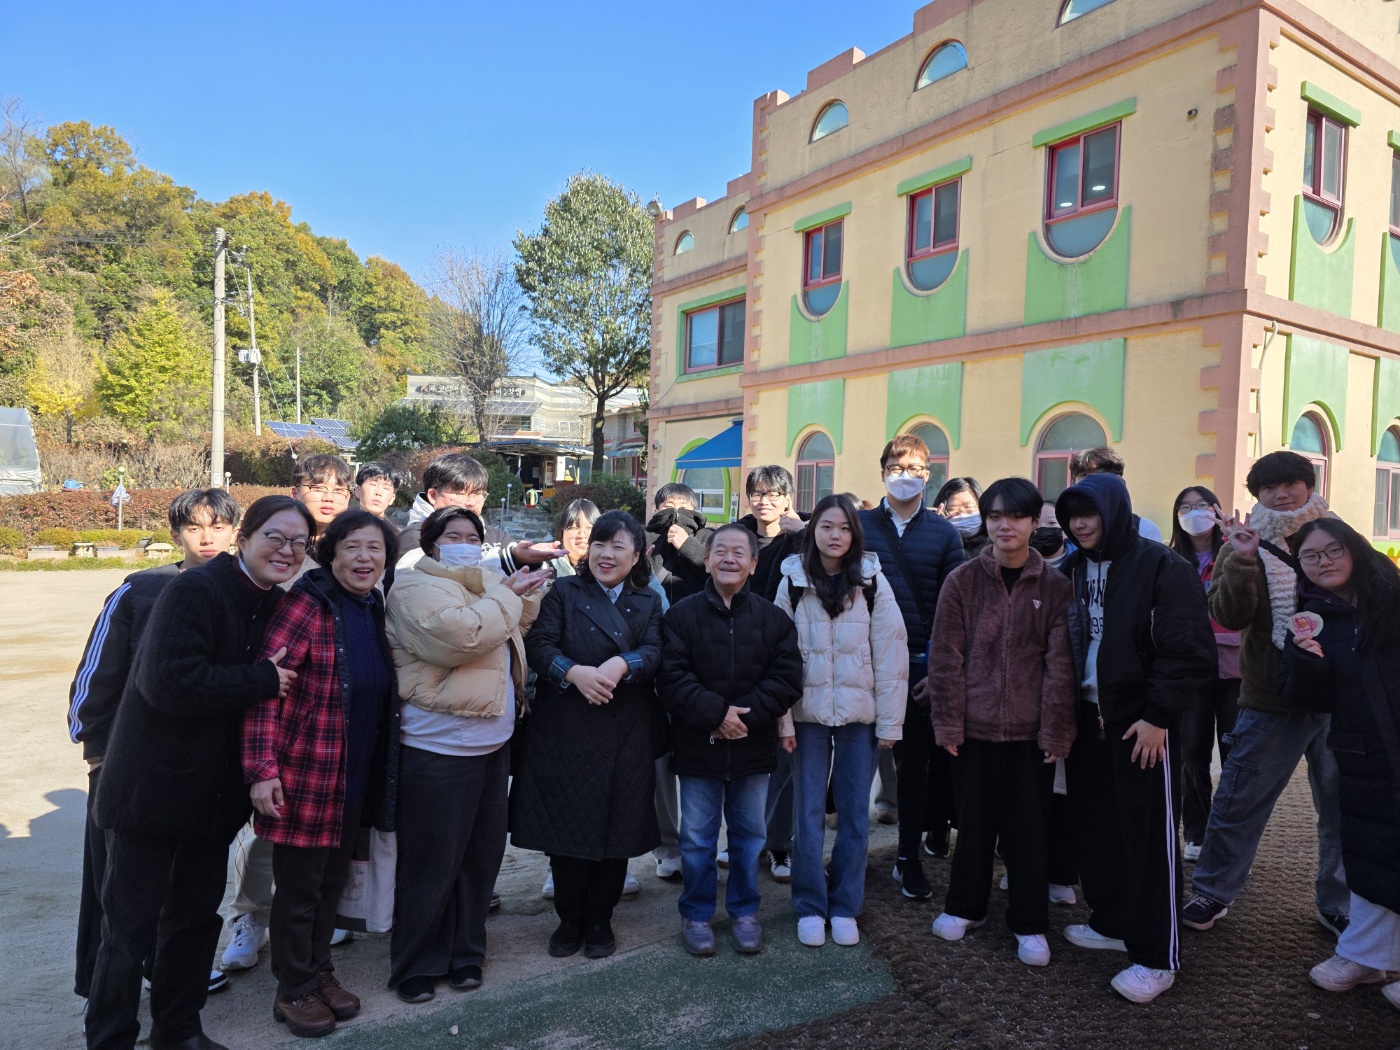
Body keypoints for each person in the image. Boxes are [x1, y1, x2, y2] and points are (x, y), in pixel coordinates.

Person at [84, 495, 311, 1050]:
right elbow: (167, 681)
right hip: (150, 791)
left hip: (212, 799)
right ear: (245, 538)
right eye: (275, 537)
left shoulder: (276, 604)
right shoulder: (194, 590)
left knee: (193, 921)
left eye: (299, 543)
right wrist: (260, 680)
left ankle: (179, 1031)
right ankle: (110, 1038)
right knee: (128, 930)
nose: (286, 550)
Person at [68, 489, 242, 1003]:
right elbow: (97, 673)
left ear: (235, 532)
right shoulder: (140, 589)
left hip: (205, 763)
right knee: (116, 882)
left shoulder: (247, 590)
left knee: (190, 880)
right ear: (175, 534)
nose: (207, 537)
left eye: (218, 526)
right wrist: (97, 750)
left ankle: (172, 971)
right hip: (129, 758)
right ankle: (99, 985)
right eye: (194, 527)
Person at [1055, 473, 1216, 1004]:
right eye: (1072, 515)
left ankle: (1157, 957)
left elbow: (1189, 651)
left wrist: (1158, 716)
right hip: (1087, 718)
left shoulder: (1162, 567)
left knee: (1149, 839)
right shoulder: (1072, 569)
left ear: (1115, 511)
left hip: (1141, 723)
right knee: (1097, 829)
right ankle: (1112, 921)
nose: (1080, 524)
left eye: (1089, 513)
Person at [241, 510, 400, 1037]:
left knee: (331, 882)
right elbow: (265, 690)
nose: (364, 558)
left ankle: (317, 971)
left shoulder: (370, 604)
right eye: (352, 547)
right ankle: (294, 989)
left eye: (375, 549)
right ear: (330, 554)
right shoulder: (306, 605)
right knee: (300, 889)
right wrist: (262, 769)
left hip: (352, 773)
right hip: (306, 774)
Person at [385, 506, 546, 1002]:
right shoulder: (412, 586)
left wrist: (524, 590)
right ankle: (416, 962)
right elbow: (460, 637)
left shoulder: (485, 583)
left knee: (480, 859)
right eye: (452, 536)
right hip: (437, 748)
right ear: (431, 544)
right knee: (431, 863)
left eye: (473, 537)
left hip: (491, 743)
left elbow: (516, 624)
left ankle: (467, 952)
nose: (464, 544)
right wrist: (506, 594)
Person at [1184, 451, 1348, 936]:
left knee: (1343, 806)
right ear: (1257, 494)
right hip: (1271, 694)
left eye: (1291, 483)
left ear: (1309, 484)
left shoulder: (1338, 536)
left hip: (1338, 695)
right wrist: (1242, 559)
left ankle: (1337, 902)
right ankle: (1212, 890)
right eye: (1270, 488)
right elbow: (1229, 615)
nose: (1282, 494)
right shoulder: (1243, 540)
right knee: (1240, 797)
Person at [928, 478, 1076, 968]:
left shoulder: (1055, 587)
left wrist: (1056, 731)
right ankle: (964, 907)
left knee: (1029, 832)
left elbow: (1060, 667)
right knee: (971, 825)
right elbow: (945, 659)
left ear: (1034, 522)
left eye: (1015, 516)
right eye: (994, 516)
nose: (1003, 525)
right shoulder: (962, 581)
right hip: (973, 729)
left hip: (1031, 735)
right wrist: (948, 723)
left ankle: (1030, 923)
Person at [222, 454, 354, 972]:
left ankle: (312, 925)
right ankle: (250, 915)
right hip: (268, 716)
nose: (328, 496)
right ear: (295, 491)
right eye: (316, 486)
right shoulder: (277, 553)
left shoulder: (344, 550)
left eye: (338, 488)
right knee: (262, 835)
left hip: (322, 729)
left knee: (317, 847)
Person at [512, 511, 665, 959]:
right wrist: (573, 672)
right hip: (566, 728)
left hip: (625, 731)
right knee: (566, 831)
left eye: (619, 546)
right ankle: (568, 918)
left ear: (637, 556)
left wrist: (623, 663)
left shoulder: (649, 600)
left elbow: (656, 650)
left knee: (617, 833)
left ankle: (600, 919)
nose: (606, 553)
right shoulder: (564, 591)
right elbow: (540, 645)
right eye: (600, 543)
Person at [659, 523, 803, 955]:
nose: (729, 559)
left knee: (749, 837)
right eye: (720, 551)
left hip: (752, 747)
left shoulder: (773, 619)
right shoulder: (680, 615)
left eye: (740, 553)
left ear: (754, 564)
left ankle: (744, 911)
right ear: (706, 560)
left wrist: (744, 718)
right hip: (697, 746)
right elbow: (671, 677)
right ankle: (697, 913)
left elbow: (787, 678)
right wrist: (716, 715)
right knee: (697, 839)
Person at [775, 495, 906, 948]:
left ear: (855, 534)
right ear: (812, 531)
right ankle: (810, 904)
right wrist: (783, 721)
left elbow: (891, 653)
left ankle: (846, 903)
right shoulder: (792, 579)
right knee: (807, 813)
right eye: (827, 526)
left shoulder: (872, 581)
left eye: (845, 527)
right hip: (806, 715)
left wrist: (890, 723)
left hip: (859, 715)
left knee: (854, 814)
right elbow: (778, 656)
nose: (835, 535)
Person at [1280, 519, 1400, 1011]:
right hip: (1360, 751)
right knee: (1370, 851)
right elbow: (1306, 700)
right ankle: (1365, 955)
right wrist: (1307, 663)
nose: (1323, 562)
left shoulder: (1392, 599)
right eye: (1311, 556)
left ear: (1354, 549)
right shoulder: (1309, 619)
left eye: (1333, 550)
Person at [858, 434, 965, 900]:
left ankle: (907, 857)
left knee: (914, 768)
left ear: (929, 475)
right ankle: (849, 857)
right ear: (883, 471)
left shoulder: (944, 534)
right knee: (857, 766)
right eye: (897, 467)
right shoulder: (859, 526)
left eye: (916, 468)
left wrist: (939, 673)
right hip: (863, 664)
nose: (906, 476)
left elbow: (955, 611)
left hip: (920, 667)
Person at [736, 465, 808, 880]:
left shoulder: (800, 538)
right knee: (743, 759)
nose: (764, 501)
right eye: (757, 493)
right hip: (740, 657)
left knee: (785, 757)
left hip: (783, 657)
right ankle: (745, 840)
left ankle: (780, 845)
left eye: (773, 494)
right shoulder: (737, 536)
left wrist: (804, 534)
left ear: (787, 499)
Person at [1167, 486, 1242, 862]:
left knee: (1235, 754)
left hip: (1234, 668)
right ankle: (1196, 832)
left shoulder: (1236, 550)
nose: (1194, 512)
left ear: (1216, 510)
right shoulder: (1169, 558)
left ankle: (1231, 840)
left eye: (1201, 505)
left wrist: (1239, 545)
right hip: (1191, 667)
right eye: (1185, 507)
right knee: (1191, 753)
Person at [396, 452, 564, 574]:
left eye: (478, 494)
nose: (471, 502)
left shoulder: (497, 537)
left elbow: (533, 583)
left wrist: (531, 560)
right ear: (433, 495)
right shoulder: (414, 537)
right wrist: (512, 559)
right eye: (461, 494)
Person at [1069, 447, 1163, 542]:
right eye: (1084, 475)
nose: (1091, 480)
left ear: (1118, 479)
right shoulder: (1070, 526)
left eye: (1099, 473)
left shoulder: (1144, 529)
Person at [645, 482, 714, 604]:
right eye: (668, 506)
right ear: (656, 511)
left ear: (694, 510)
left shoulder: (708, 535)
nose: (676, 511)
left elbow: (715, 570)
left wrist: (687, 544)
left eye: (683, 507)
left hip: (696, 609)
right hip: (653, 609)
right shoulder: (644, 536)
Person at [933, 477, 986, 557]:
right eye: (953, 509)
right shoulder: (939, 544)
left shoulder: (996, 543)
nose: (962, 513)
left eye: (969, 507)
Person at [1031, 501, 1071, 571]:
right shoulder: (1016, 564)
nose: (1042, 528)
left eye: (1052, 523)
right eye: (1036, 523)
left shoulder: (1081, 562)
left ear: (1066, 529)